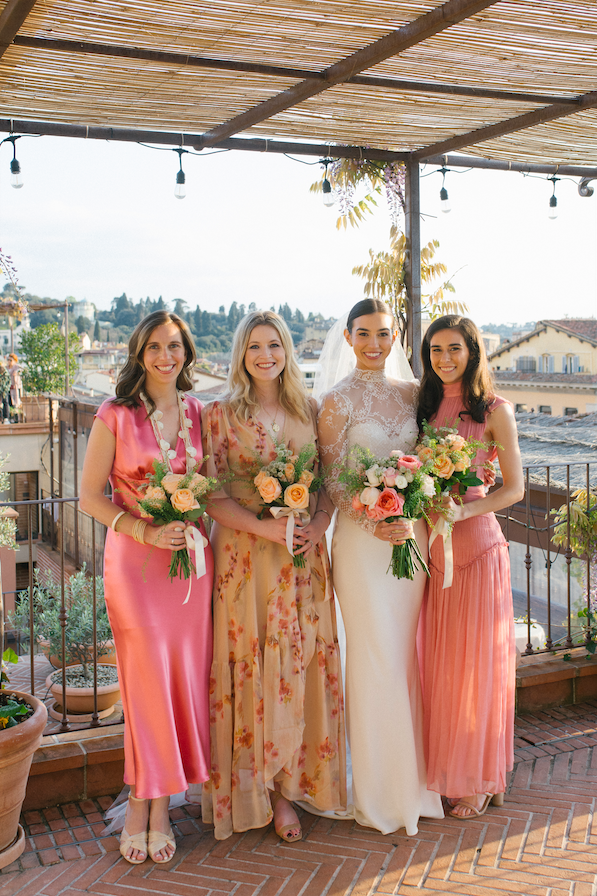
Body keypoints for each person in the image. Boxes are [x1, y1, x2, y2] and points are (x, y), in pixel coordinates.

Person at [198, 309, 345, 842]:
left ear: (287, 351)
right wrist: (268, 531)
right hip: (246, 561)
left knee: (297, 666)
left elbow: (328, 481)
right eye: (255, 346)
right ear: (241, 354)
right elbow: (211, 496)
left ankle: (288, 793)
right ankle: (250, 793)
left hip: (303, 563)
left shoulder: (310, 409)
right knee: (254, 668)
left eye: (275, 346)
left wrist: (320, 524)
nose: (265, 355)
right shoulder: (219, 415)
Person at [80, 311, 213, 864]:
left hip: (187, 574)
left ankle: (162, 805)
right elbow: (91, 497)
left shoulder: (200, 412)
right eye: (155, 346)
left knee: (180, 684)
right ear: (139, 353)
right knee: (144, 688)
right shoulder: (114, 415)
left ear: (186, 353)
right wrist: (147, 530)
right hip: (134, 568)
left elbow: (215, 485)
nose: (165, 356)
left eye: (174, 346)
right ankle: (143, 801)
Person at [317, 298, 443, 836]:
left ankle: (411, 782)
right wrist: (373, 521)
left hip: (408, 545)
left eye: (384, 334)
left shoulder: (414, 395)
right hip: (361, 545)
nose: (374, 343)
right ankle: (376, 793)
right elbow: (331, 480)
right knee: (373, 657)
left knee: (403, 656)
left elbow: (432, 463)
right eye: (364, 333)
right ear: (348, 338)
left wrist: (406, 512)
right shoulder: (335, 401)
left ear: (397, 338)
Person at [417, 314, 524, 819]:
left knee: (477, 669)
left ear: (473, 352)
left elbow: (514, 488)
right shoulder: (425, 409)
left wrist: (463, 509)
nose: (444, 358)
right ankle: (449, 767)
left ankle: (480, 776)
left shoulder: (495, 411)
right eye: (436, 350)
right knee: (440, 666)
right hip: (434, 557)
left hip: (478, 552)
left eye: (454, 348)